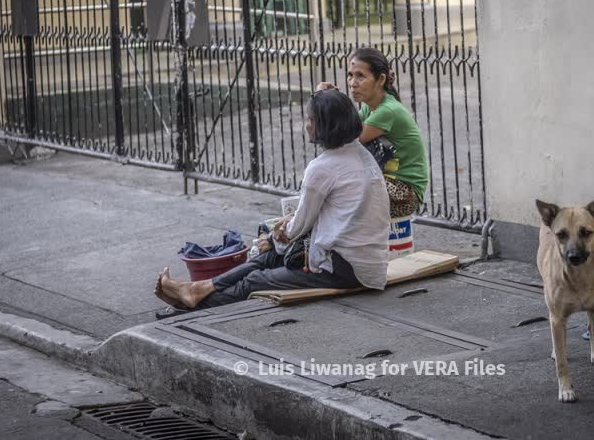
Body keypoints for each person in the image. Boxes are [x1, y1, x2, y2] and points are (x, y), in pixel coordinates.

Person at [154, 90, 390, 309]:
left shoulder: (322, 167)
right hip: (370, 265)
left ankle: (191, 303)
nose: (306, 125)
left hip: (346, 269)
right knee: (268, 258)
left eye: (309, 119)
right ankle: (198, 288)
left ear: (324, 125)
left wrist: (277, 233)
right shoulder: (362, 154)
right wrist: (281, 234)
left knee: (257, 279)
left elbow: (298, 228)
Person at [318, 47, 429, 219]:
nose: (352, 83)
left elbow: (344, 143)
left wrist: (322, 100)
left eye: (360, 76)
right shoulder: (368, 108)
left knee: (337, 192)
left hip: (405, 193)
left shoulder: (388, 111)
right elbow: (345, 132)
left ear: (381, 79)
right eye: (350, 75)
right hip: (385, 183)